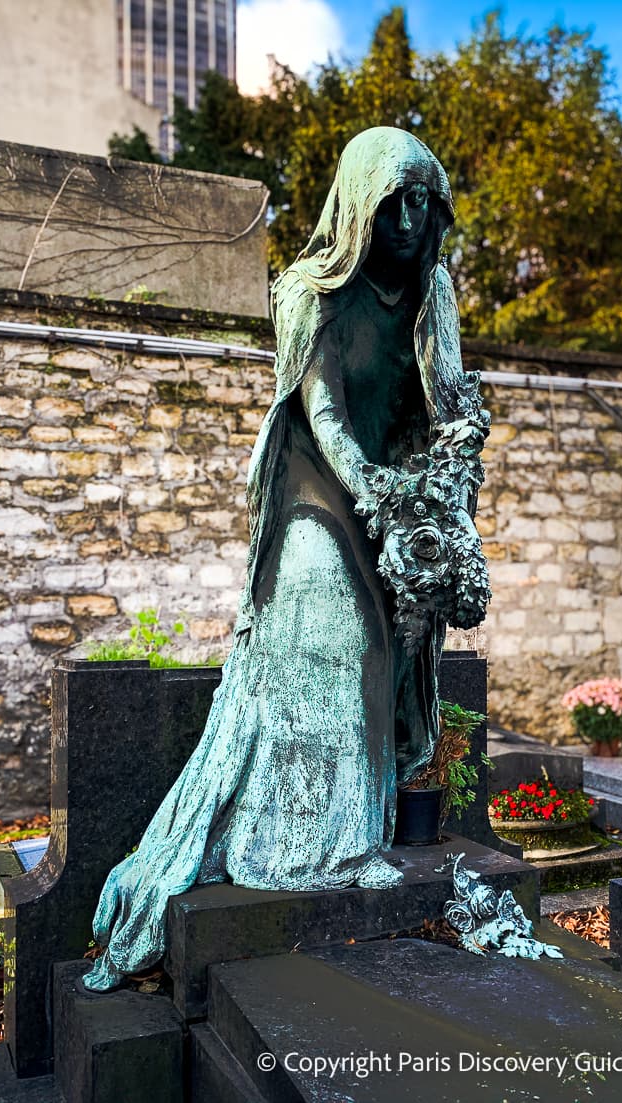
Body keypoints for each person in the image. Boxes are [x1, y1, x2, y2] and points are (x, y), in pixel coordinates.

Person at [83, 127, 485, 991]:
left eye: (426, 201)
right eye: (394, 201)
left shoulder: (431, 290)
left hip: (395, 496)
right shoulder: (309, 291)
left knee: (391, 647)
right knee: (334, 634)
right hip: (315, 490)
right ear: (358, 203)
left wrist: (447, 477)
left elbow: (450, 402)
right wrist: (373, 491)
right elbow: (326, 412)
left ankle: (352, 830)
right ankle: (308, 846)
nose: (412, 220)